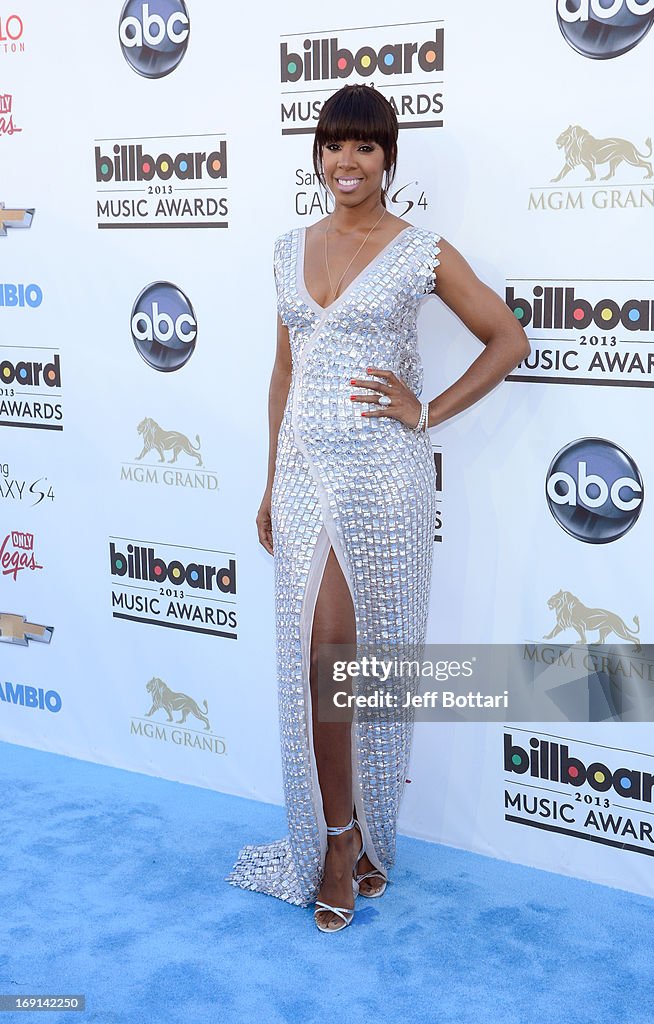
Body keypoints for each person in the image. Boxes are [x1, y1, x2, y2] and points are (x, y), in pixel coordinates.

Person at [226, 83, 530, 932]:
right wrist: (268, 481)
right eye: (333, 145)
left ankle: (362, 833)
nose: (346, 162)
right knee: (320, 655)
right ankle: (334, 837)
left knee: (357, 661)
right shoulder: (288, 249)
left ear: (389, 158)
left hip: (383, 476)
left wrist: (425, 411)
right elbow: (283, 376)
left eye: (364, 146)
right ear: (316, 156)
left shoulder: (419, 250)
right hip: (303, 473)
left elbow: (508, 338)